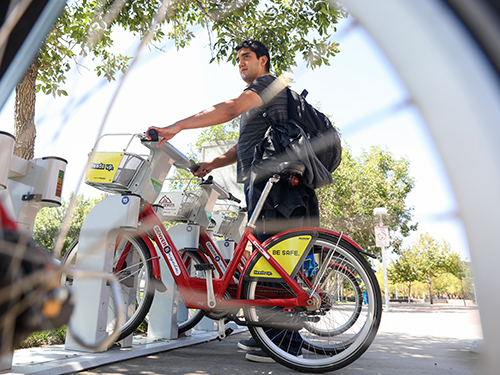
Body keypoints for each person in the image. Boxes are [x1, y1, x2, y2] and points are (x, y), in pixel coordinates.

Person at [147, 39, 319, 363]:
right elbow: (243, 147)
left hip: (275, 187)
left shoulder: (266, 84)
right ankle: (274, 338)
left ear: (263, 61)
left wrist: (177, 126)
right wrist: (212, 164)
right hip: (263, 183)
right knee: (270, 261)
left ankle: (285, 343)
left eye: (247, 57)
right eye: (238, 58)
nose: (241, 63)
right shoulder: (259, 99)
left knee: (275, 261)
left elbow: (227, 110)